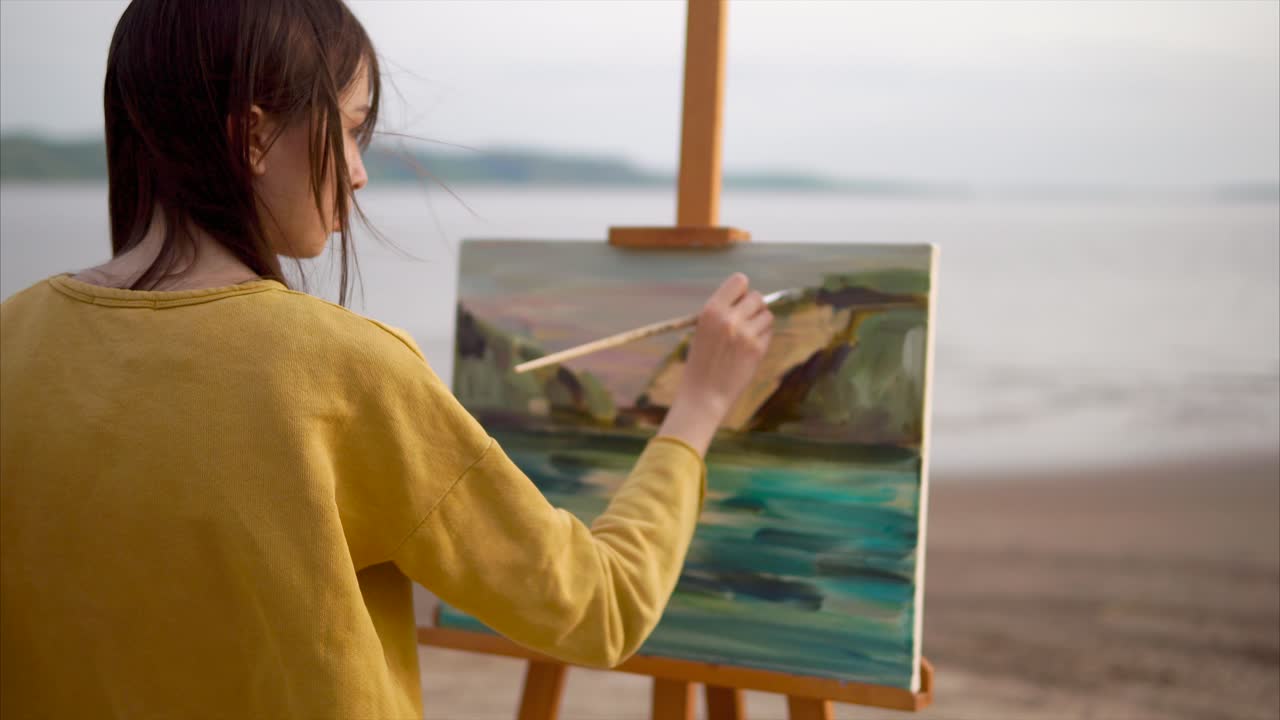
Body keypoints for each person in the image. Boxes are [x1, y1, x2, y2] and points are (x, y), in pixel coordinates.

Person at [0, 0, 773, 717]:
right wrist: (699, 404)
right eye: (350, 125)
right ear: (255, 136)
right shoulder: (344, 374)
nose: (361, 171)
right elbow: (597, 608)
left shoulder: (15, 337)